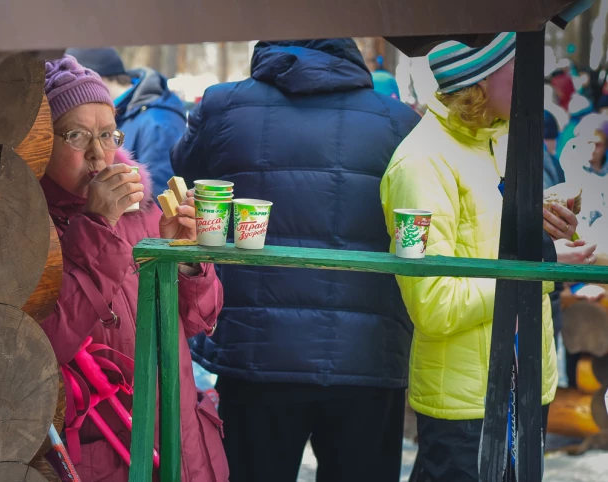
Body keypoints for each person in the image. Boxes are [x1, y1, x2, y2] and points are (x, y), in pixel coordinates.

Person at [172, 38, 420, 482]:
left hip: (255, 350)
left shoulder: (223, 106)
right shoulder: (399, 120)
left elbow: (185, 181)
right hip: (369, 355)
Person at [381, 33, 596, 481]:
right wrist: (539, 263)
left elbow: (491, 244)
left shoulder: (499, 141)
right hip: (465, 407)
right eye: (517, 64)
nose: (531, 77)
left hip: (524, 388)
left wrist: (545, 230)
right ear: (478, 80)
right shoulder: (419, 164)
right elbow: (433, 303)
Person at [40, 55, 228, 481]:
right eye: (76, 135)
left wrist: (187, 260)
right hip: (110, 452)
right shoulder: (31, 232)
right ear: (41, 144)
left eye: (107, 135)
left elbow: (200, 320)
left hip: (183, 442)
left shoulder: (141, 211)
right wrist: (96, 226)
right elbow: (50, 342)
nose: (97, 154)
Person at [67, 48, 187, 197]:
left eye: (78, 87)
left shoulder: (158, 123)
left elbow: (161, 198)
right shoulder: (120, 111)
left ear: (96, 79)